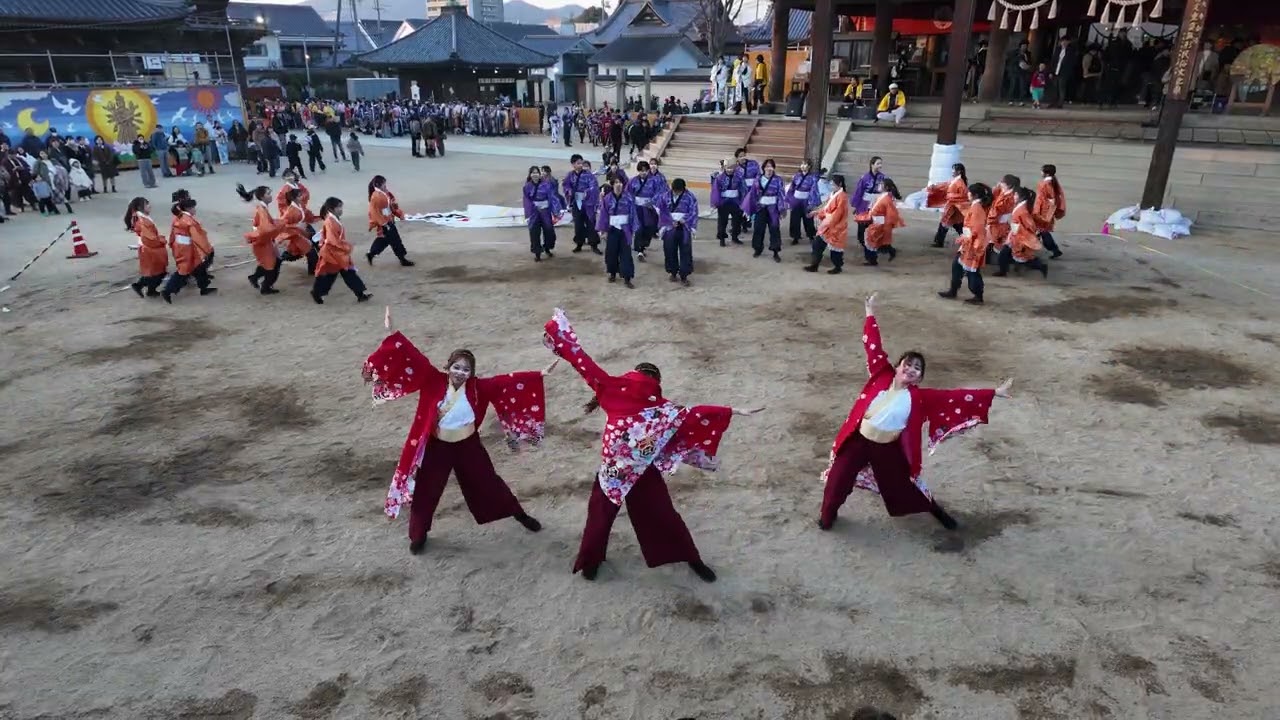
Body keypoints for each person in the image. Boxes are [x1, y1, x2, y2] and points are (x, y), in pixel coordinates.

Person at [541, 308, 764, 581]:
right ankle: (691, 559)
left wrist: (557, 332)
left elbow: (581, 359)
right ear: (656, 382)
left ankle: (590, 562)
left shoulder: (611, 386)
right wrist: (732, 410)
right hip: (643, 469)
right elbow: (693, 415)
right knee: (663, 515)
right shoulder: (662, 408)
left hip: (613, 468)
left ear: (632, 373)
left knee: (600, 515)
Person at [363, 306, 552, 555]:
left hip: (468, 445)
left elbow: (507, 381)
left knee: (488, 482)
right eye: (457, 367)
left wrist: (538, 374)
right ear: (448, 366)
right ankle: (419, 535)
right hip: (436, 446)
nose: (460, 373)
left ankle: (519, 514)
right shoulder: (432, 379)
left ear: (471, 373)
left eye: (466, 369)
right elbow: (412, 356)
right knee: (426, 490)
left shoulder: (478, 387)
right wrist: (393, 331)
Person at [818, 293, 1013, 533]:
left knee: (904, 486)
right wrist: (870, 313)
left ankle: (934, 510)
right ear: (898, 366)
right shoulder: (881, 374)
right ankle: (827, 517)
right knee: (838, 479)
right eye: (907, 364)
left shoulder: (921, 397)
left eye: (917, 368)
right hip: (858, 440)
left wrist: (993, 393)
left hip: (888, 448)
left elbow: (956, 395)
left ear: (920, 377)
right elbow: (873, 345)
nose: (911, 369)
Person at [938, 182, 993, 304]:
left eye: (969, 192)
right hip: (969, 242)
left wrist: (967, 240)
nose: (967, 194)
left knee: (972, 271)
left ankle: (977, 295)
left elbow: (977, 230)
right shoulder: (976, 207)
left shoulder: (977, 209)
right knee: (958, 266)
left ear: (974, 195)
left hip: (973, 244)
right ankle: (954, 290)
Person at [311, 196, 372, 304]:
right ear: (332, 209)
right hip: (333, 253)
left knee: (343, 273)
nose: (341, 209)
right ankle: (317, 292)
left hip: (336, 252)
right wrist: (345, 247)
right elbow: (332, 240)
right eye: (339, 207)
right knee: (333, 275)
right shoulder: (330, 221)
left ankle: (360, 294)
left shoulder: (332, 219)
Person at [161, 197, 217, 303]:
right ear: (188, 208)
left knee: (198, 267)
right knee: (184, 271)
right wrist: (207, 249)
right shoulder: (189, 221)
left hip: (182, 247)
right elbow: (198, 237)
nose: (195, 210)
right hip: (187, 249)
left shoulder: (179, 218)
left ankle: (204, 287)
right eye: (193, 208)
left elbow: (173, 234)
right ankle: (168, 290)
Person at [236, 184, 284, 295]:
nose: (270, 196)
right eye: (268, 194)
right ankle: (265, 287)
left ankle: (255, 278)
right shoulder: (262, 210)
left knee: (271, 262)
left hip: (263, 240)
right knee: (271, 265)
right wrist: (279, 225)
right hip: (262, 241)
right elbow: (266, 228)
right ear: (262, 197)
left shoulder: (262, 208)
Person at [995, 185, 1048, 279]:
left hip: (1020, 237)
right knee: (1007, 254)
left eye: (1015, 195)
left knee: (1023, 258)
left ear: (1021, 197)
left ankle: (1041, 266)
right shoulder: (1021, 207)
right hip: (1015, 235)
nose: (1014, 197)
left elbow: (1030, 225)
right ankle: (1003, 270)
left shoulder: (1022, 210)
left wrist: (1022, 232)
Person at [596, 172, 638, 288]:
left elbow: (633, 214)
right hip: (612, 229)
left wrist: (633, 229)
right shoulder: (607, 199)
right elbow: (603, 215)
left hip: (625, 229)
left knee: (626, 253)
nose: (618, 185)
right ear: (612, 184)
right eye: (616, 183)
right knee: (611, 252)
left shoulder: (629, 198)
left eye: (620, 182)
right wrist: (602, 230)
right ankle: (612, 273)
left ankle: (627, 277)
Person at [124, 196, 168, 298]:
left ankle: (149, 290)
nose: (149, 206)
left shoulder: (141, 219)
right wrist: (161, 240)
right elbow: (150, 239)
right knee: (157, 272)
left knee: (155, 272)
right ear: (140, 207)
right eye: (147, 204)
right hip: (150, 249)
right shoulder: (143, 221)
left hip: (148, 248)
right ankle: (141, 286)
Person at [805, 173, 850, 274]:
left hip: (836, 226)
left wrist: (824, 220)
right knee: (817, 245)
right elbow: (825, 207)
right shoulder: (833, 194)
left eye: (833, 184)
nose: (831, 186)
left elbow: (837, 214)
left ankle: (838, 266)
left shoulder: (842, 197)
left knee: (835, 250)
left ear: (840, 184)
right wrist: (816, 212)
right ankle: (814, 265)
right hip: (828, 224)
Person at [366, 175, 414, 267]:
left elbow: (391, 206)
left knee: (384, 240)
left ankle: (372, 253)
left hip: (387, 221)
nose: (385, 186)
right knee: (395, 240)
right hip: (385, 223)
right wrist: (384, 223)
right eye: (384, 184)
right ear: (379, 185)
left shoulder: (383, 194)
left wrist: (398, 214)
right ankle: (402, 259)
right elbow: (375, 212)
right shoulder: (376, 197)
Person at [657, 177, 698, 286]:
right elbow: (662, 211)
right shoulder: (665, 196)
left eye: (678, 190)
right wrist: (669, 221)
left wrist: (684, 221)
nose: (676, 192)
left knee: (685, 251)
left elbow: (693, 211)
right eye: (675, 190)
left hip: (684, 227)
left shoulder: (690, 197)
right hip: (670, 227)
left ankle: (684, 275)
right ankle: (673, 272)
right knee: (669, 249)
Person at [743, 159, 785, 262]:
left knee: (774, 229)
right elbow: (752, 194)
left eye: (771, 166)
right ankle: (758, 249)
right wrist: (749, 208)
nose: (769, 169)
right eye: (767, 167)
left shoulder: (778, 180)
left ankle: (775, 251)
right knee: (758, 229)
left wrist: (782, 209)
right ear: (763, 168)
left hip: (773, 208)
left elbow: (781, 195)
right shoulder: (758, 179)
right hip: (760, 208)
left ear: (774, 168)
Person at [624, 161, 666, 262]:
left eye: (645, 171)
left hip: (649, 207)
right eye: (641, 171)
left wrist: (652, 202)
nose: (643, 173)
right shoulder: (632, 181)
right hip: (637, 207)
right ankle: (639, 250)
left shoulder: (654, 181)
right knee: (639, 228)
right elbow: (627, 193)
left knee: (650, 227)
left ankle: (644, 245)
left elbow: (660, 192)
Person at [564, 154, 603, 255]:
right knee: (578, 224)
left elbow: (594, 186)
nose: (581, 165)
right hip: (577, 202)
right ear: (573, 164)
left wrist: (587, 192)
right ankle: (579, 243)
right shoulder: (570, 175)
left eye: (581, 163)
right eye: (578, 163)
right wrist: (569, 191)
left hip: (588, 202)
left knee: (591, 223)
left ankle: (594, 245)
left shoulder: (589, 175)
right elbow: (566, 185)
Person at [522, 165, 562, 262]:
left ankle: (547, 248)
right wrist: (530, 211)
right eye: (533, 173)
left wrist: (556, 211)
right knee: (534, 233)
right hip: (534, 212)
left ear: (540, 174)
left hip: (545, 211)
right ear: (530, 175)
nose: (535, 174)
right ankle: (537, 253)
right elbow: (526, 200)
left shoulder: (546, 185)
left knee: (549, 231)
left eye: (537, 173)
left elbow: (552, 198)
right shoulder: (527, 187)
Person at [277, 187, 319, 276]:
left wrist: (320, 217)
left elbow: (308, 215)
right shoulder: (290, 211)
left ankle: (316, 269)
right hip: (296, 234)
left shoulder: (301, 205)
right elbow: (283, 224)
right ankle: (313, 271)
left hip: (304, 230)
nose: (302, 197)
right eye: (300, 196)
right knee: (309, 252)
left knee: (315, 245)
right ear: (294, 198)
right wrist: (296, 226)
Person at [862, 178, 903, 266]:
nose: (879, 186)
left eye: (881, 184)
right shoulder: (884, 197)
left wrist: (886, 225)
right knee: (875, 240)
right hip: (877, 221)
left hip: (880, 223)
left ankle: (872, 260)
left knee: (871, 240)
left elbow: (891, 214)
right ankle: (878, 256)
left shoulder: (886, 199)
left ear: (886, 187)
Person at [927, 163, 969, 248]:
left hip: (954, 207)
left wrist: (950, 196)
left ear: (959, 171)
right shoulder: (956, 181)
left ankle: (939, 242)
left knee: (949, 224)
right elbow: (945, 185)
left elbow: (963, 197)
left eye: (954, 170)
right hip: (953, 207)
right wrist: (935, 187)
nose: (952, 172)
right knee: (956, 225)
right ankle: (939, 241)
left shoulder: (959, 183)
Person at [710, 157, 746, 247]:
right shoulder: (719, 178)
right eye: (728, 168)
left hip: (736, 201)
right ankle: (722, 239)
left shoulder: (739, 177)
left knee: (737, 221)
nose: (730, 170)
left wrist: (744, 201)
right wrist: (715, 202)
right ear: (724, 168)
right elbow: (715, 191)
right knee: (722, 222)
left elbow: (743, 189)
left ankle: (735, 237)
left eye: (731, 168)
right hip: (724, 202)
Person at [851, 157, 886, 247]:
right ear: (872, 165)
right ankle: (862, 240)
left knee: (877, 222)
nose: (880, 166)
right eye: (878, 163)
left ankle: (876, 240)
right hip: (865, 202)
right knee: (862, 222)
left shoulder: (882, 177)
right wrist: (856, 205)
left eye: (881, 163)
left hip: (877, 202)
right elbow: (859, 191)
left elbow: (885, 190)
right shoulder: (865, 177)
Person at [1033, 164, 1065, 259]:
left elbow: (1044, 199)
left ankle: (1053, 249)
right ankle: (1053, 250)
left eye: (1042, 171)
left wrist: (1038, 212)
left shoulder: (1045, 184)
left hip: (1043, 212)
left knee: (1043, 232)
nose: (1041, 173)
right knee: (1041, 232)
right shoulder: (1052, 182)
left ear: (1046, 173)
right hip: (1046, 211)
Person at [787, 159, 821, 246]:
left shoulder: (813, 178)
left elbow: (814, 190)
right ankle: (795, 237)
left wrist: (812, 202)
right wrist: (790, 199)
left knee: (808, 219)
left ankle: (811, 235)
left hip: (806, 200)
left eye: (805, 164)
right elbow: (792, 188)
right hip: (796, 199)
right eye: (801, 164)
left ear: (809, 166)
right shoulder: (796, 176)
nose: (803, 166)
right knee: (795, 219)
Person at [986, 174, 1019, 259]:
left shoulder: (1009, 198)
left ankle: (1000, 258)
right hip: (999, 221)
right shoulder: (1005, 191)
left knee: (998, 241)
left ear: (1009, 185)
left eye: (1002, 182)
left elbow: (997, 211)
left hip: (1000, 223)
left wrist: (989, 221)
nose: (1000, 183)